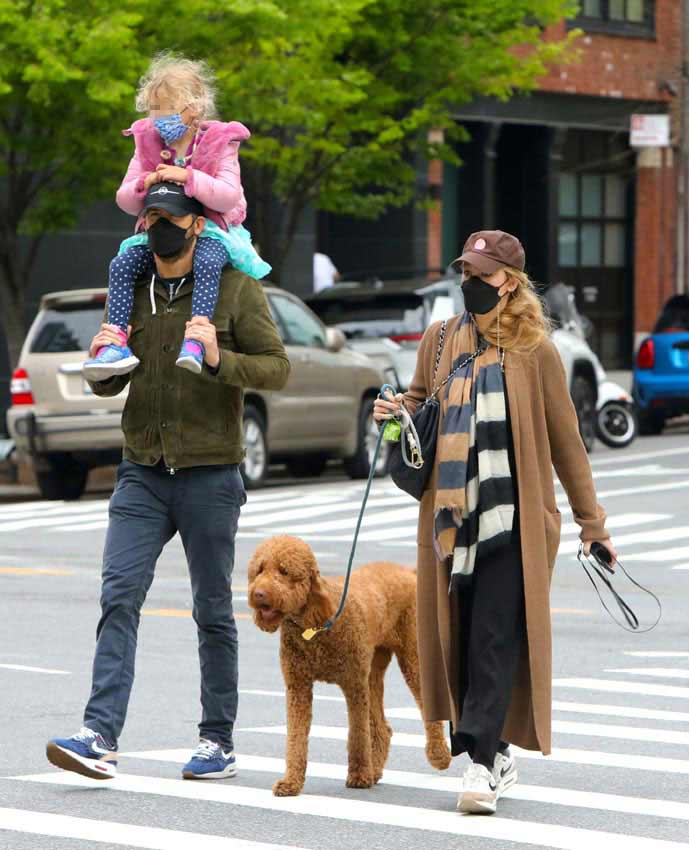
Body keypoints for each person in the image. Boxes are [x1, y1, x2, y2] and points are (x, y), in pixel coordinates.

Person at [47, 183, 290, 782]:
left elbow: (277, 367)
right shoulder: (131, 288)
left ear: (196, 225)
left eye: (171, 217)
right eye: (150, 216)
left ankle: (218, 741)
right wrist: (102, 363)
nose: (159, 226)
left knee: (211, 610)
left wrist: (217, 360)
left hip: (210, 471)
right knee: (119, 595)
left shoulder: (233, 288)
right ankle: (98, 733)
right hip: (142, 472)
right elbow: (112, 381)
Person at [374, 230, 617, 815]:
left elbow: (567, 444)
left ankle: (480, 765)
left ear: (509, 280)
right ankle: (496, 748)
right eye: (467, 272)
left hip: (515, 521)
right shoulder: (439, 341)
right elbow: (417, 402)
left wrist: (593, 525)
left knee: (493, 635)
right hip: (452, 518)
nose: (471, 284)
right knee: (456, 636)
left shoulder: (536, 350)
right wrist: (394, 412)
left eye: (482, 275)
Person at [83, 53, 271, 382]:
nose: (159, 121)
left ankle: (197, 338)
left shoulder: (219, 143)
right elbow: (124, 200)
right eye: (154, 113)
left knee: (209, 262)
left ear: (194, 108)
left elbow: (228, 195)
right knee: (121, 264)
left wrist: (188, 178)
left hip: (212, 229)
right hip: (158, 226)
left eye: (167, 112)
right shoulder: (147, 143)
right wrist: (146, 182)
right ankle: (115, 342)